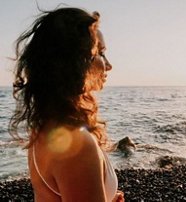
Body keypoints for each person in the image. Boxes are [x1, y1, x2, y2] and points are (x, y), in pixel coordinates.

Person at [9, 7, 124, 202]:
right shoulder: (77, 144)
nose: (109, 65)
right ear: (76, 62)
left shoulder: (44, 127)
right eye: (100, 53)